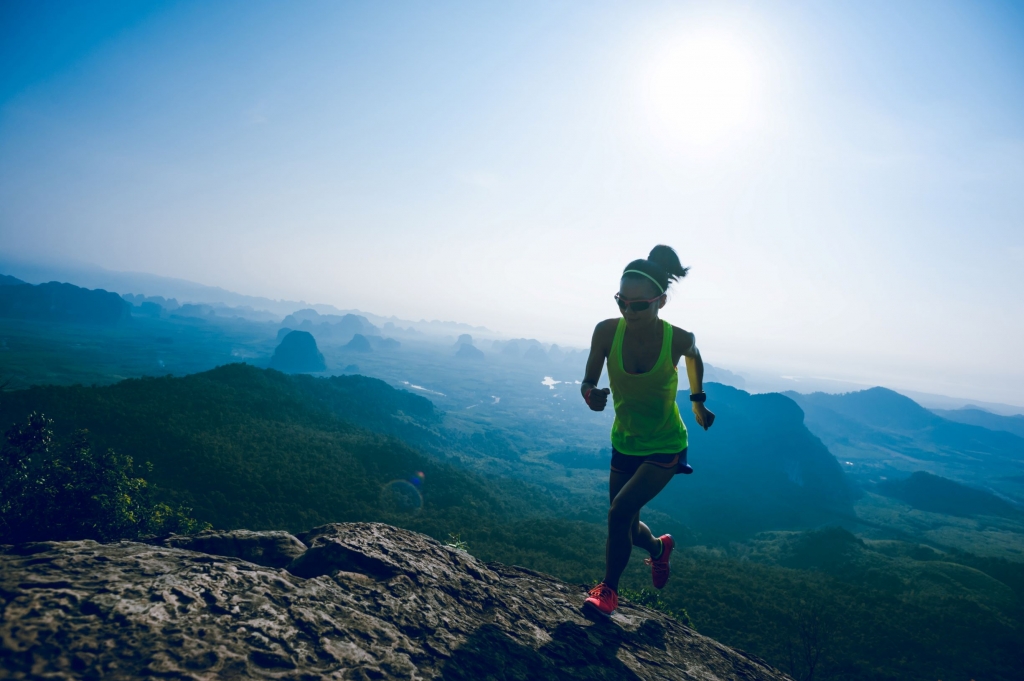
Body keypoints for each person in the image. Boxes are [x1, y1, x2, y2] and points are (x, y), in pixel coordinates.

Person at [580, 245, 715, 617]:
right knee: (625, 519)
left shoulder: (676, 338)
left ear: (661, 302)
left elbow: (695, 354)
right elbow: (588, 380)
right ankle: (658, 547)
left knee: (619, 511)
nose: (628, 311)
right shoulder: (607, 332)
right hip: (625, 441)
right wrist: (591, 394)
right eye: (622, 301)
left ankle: (608, 591)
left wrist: (697, 401)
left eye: (639, 305)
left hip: (666, 444)